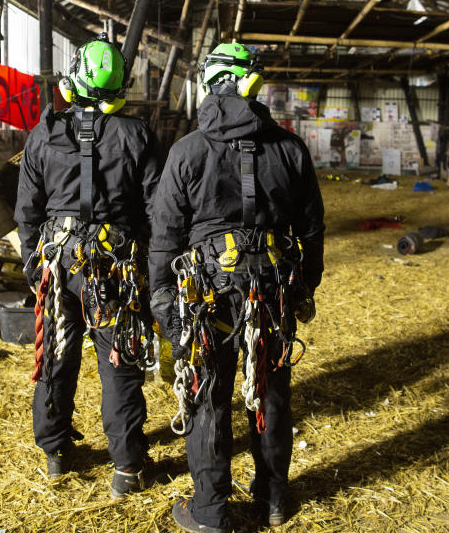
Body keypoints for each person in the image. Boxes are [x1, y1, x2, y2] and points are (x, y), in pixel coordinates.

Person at [149, 42, 325, 532]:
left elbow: (164, 235)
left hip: (208, 295)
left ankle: (209, 514)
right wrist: (304, 287)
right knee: (269, 393)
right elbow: (311, 228)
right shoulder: (289, 148)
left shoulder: (187, 150)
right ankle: (272, 498)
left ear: (211, 84)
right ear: (252, 84)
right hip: (270, 292)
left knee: (209, 396)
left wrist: (162, 298)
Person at [15, 33, 164, 497]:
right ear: (120, 86)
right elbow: (157, 210)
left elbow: (27, 212)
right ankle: (126, 468)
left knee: (56, 358)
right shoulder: (137, 135)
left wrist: (32, 265)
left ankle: (56, 454)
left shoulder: (43, 134)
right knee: (119, 363)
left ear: (71, 82)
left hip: (57, 266)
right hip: (113, 270)